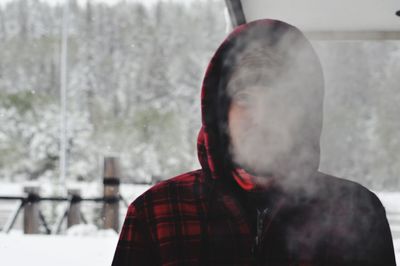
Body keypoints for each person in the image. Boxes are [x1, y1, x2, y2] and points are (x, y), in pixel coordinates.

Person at [111, 19, 396, 266]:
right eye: (245, 100)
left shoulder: (356, 211)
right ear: (220, 111)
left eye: (280, 102)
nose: (261, 119)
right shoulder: (157, 214)